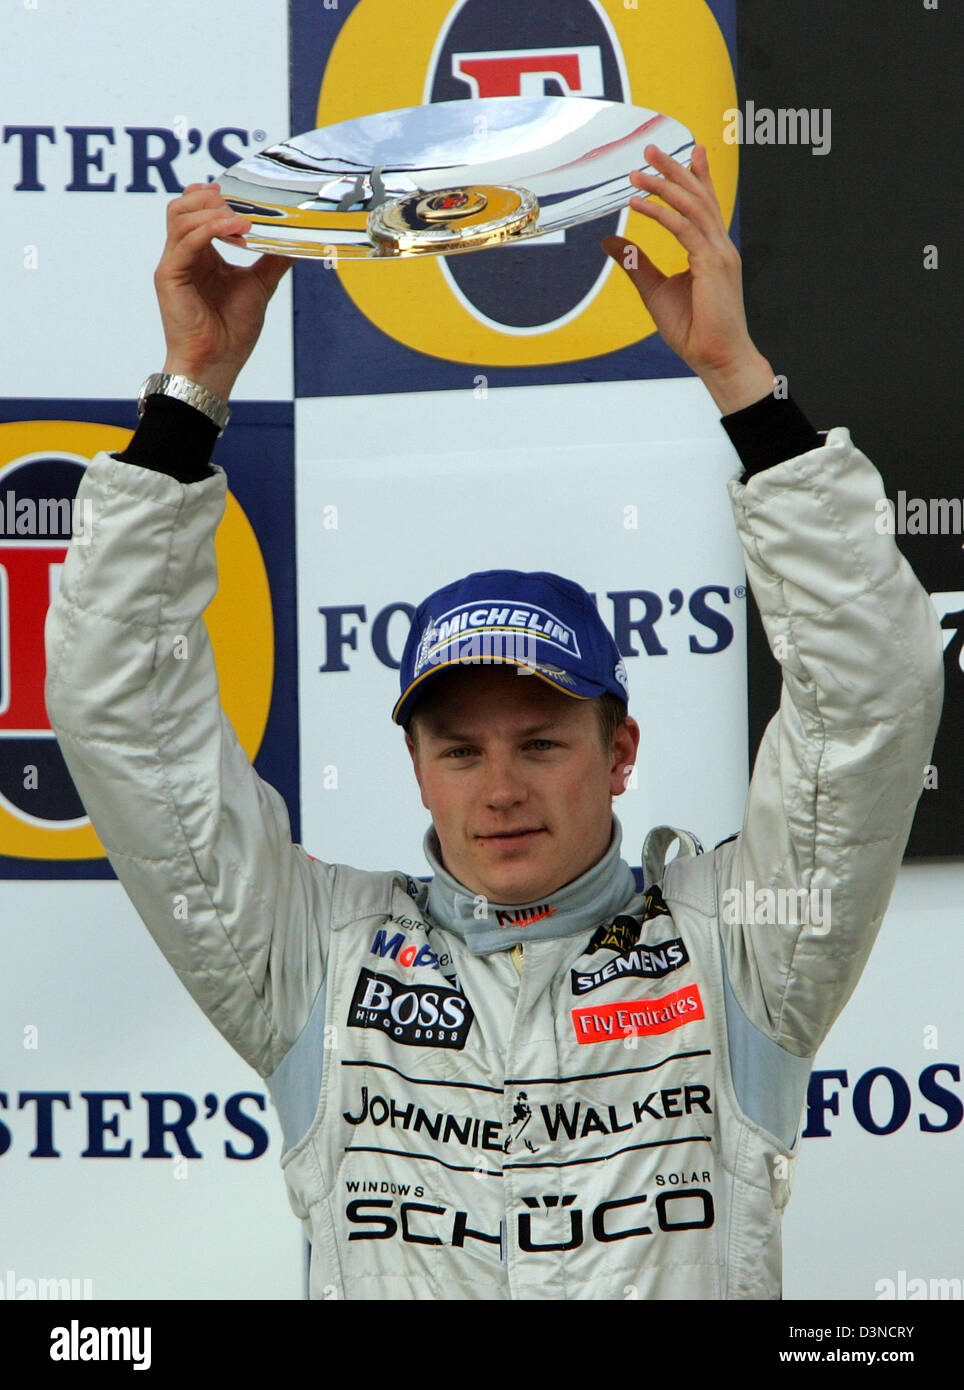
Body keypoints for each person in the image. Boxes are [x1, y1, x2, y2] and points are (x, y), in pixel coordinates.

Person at [44, 145, 943, 1300]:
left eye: (541, 742)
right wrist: (190, 393)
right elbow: (118, 708)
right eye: (459, 749)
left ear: (621, 752)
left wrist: (740, 383)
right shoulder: (309, 957)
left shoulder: (747, 946)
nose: (499, 789)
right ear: (415, 765)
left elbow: (873, 693)